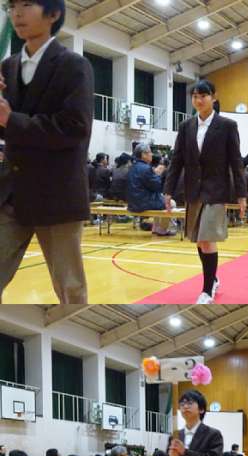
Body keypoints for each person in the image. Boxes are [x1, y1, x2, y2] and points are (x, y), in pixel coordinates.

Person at [0, 0, 94, 304]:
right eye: (12, 5)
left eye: (27, 4)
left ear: (53, 14)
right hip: (12, 194)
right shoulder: (8, 67)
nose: (17, 13)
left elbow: (75, 127)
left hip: (58, 195)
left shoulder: (74, 65)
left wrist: (10, 119)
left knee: (70, 290)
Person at [163, 79, 247, 304]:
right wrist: (168, 190)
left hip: (216, 191)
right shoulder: (186, 126)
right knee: (200, 241)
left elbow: (236, 162)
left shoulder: (227, 126)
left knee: (207, 239)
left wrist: (241, 195)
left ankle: (207, 290)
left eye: (203, 96)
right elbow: (177, 160)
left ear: (213, 97)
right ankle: (214, 278)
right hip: (193, 191)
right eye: (195, 96)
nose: (199, 100)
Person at [127, 143, 176, 237]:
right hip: (144, 202)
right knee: (170, 203)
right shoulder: (146, 168)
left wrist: (154, 174)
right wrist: (158, 174)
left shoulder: (132, 167)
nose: (151, 154)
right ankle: (162, 229)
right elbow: (157, 186)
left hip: (133, 202)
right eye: (149, 152)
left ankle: (156, 228)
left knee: (160, 199)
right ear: (143, 154)